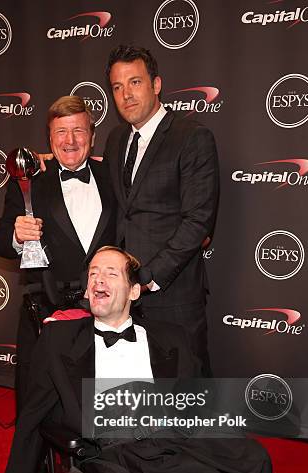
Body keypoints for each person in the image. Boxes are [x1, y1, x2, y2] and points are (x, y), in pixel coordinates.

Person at [0, 246, 280, 473]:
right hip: (121, 445)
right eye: (94, 272)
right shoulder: (57, 342)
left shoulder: (171, 336)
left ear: (133, 291)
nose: (98, 279)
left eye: (111, 273)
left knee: (255, 460)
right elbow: (32, 420)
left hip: (176, 430)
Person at [0, 96, 116, 414]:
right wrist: (18, 235)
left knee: (102, 406)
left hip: (105, 314)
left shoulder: (113, 177)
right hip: (47, 313)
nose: (70, 140)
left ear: (92, 136)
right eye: (61, 131)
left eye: (78, 130)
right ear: (49, 137)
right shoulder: (30, 180)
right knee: (39, 411)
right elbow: (0, 244)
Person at [103, 45, 220, 376]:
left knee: (187, 396)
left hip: (172, 293)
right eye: (117, 87)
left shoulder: (192, 137)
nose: (126, 94)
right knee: (135, 392)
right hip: (124, 297)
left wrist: (150, 276)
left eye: (135, 82)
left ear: (156, 85)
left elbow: (199, 220)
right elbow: (117, 211)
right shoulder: (115, 140)